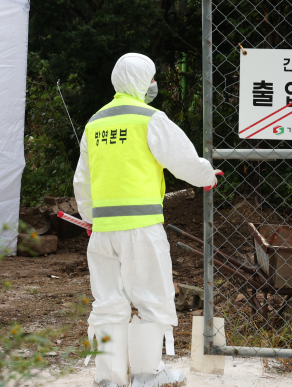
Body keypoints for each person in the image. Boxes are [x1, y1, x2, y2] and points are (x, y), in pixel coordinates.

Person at [73, 53, 221, 387]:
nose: (154, 84)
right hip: (141, 229)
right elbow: (182, 160)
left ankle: (108, 378)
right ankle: (147, 374)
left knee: (108, 304)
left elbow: (82, 179)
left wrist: (89, 217)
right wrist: (207, 176)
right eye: (152, 77)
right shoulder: (149, 118)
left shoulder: (94, 123)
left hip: (102, 232)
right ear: (143, 80)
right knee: (152, 299)